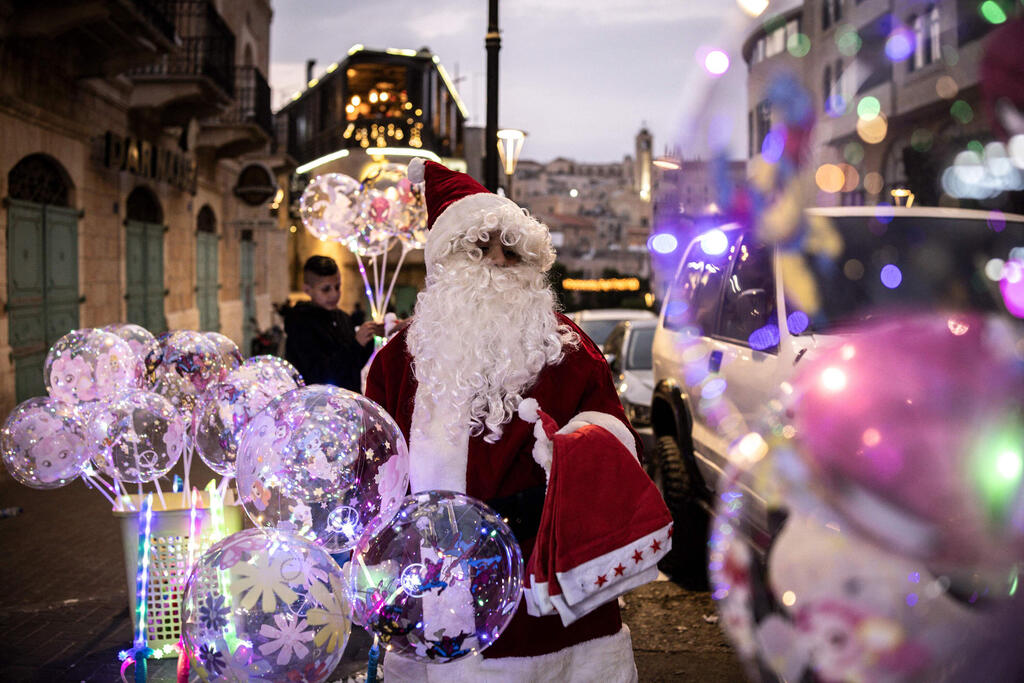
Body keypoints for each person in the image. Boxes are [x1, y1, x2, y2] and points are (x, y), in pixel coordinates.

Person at [365, 158, 644, 682]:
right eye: (479, 248)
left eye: (510, 250)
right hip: (432, 598)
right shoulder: (397, 361)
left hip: (548, 601)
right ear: (446, 261)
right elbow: (374, 472)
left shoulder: (571, 350)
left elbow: (622, 448)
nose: (496, 262)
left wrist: (560, 465)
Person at [282, 255, 383, 391]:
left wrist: (370, 338)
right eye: (326, 289)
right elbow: (319, 374)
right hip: (319, 407)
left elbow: (354, 365)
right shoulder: (300, 323)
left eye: (337, 287)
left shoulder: (343, 318)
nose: (334, 294)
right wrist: (356, 344)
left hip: (348, 402)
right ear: (307, 290)